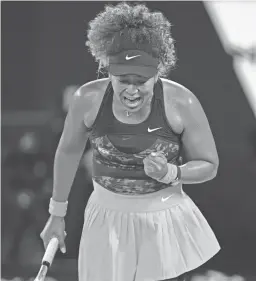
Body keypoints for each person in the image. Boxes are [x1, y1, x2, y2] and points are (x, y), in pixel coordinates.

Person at [40, 2, 220, 281]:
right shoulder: (87, 100)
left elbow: (209, 164)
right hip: (105, 217)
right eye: (123, 80)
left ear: (158, 71)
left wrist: (171, 172)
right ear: (106, 69)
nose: (132, 90)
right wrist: (56, 214)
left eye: (142, 80)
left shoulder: (182, 102)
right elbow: (68, 152)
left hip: (163, 219)